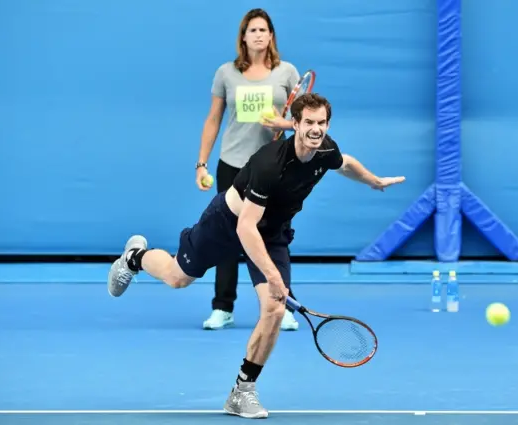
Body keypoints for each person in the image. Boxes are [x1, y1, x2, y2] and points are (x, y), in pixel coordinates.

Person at [107, 93, 405, 419]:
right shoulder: (270, 164)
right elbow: (246, 228)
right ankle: (135, 257)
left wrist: (373, 181)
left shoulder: (325, 150)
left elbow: (344, 163)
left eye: (321, 123)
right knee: (177, 277)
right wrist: (274, 277)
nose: (316, 129)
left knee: (275, 309)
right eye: (309, 123)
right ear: (295, 124)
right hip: (229, 223)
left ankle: (243, 390)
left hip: (273, 231)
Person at [196, 8, 301, 331]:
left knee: (274, 238)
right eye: (252, 30)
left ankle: (282, 306)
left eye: (263, 30)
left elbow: (304, 121)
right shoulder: (226, 73)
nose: (258, 34)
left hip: (272, 168)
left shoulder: (287, 73)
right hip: (232, 166)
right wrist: (201, 163)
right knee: (228, 236)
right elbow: (213, 119)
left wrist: (282, 123)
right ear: (243, 37)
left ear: (271, 36)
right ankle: (222, 307)